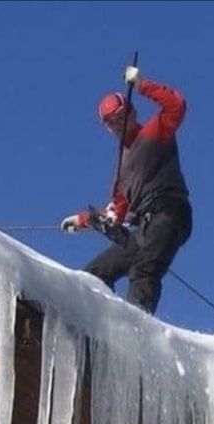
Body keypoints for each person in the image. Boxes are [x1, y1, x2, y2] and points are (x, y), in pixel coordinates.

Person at [60, 66, 192, 314]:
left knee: (144, 270)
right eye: (110, 123)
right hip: (144, 225)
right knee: (95, 274)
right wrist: (84, 220)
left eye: (120, 117)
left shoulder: (154, 132)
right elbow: (116, 216)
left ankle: (137, 333)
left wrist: (141, 84)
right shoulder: (122, 169)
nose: (116, 125)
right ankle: (96, 325)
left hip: (169, 212)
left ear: (131, 112)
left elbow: (177, 105)